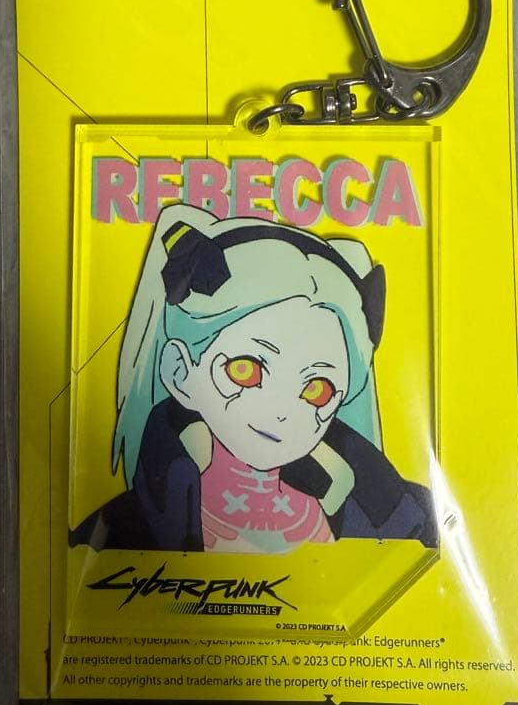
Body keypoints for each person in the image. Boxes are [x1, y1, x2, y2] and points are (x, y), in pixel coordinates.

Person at [70, 204, 436, 553]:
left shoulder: (401, 518)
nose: (281, 411)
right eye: (245, 370)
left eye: (316, 390)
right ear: (180, 371)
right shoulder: (116, 534)